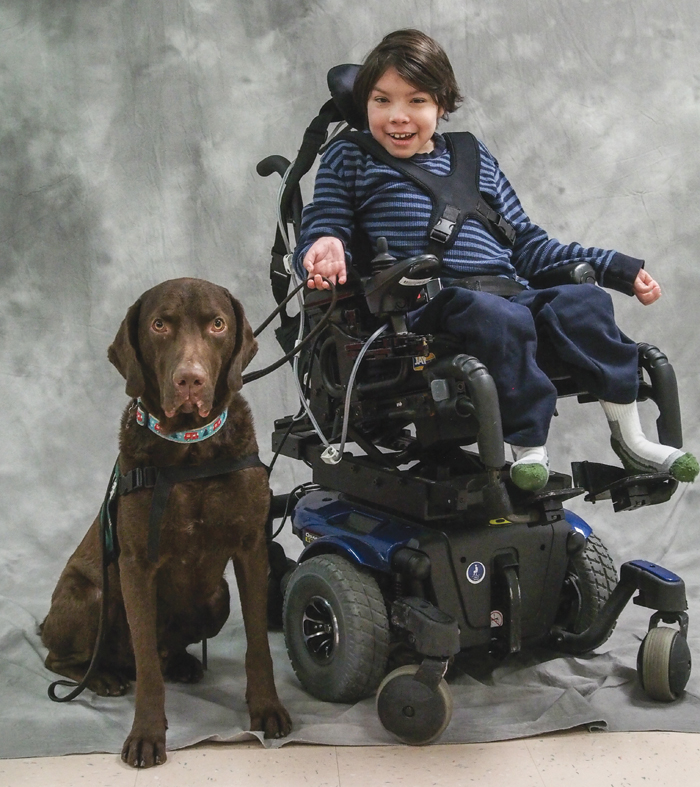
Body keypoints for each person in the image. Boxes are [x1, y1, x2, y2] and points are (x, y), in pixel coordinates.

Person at [292, 28, 698, 491]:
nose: (397, 116)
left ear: (441, 104)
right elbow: (326, 220)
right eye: (381, 101)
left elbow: (528, 243)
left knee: (584, 301)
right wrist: (324, 244)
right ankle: (530, 448)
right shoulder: (351, 154)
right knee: (494, 315)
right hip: (427, 304)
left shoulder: (472, 156)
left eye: (416, 101)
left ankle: (632, 438)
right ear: (364, 103)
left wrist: (614, 268)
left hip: (510, 293)